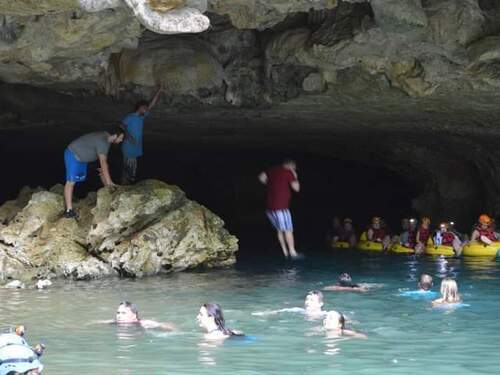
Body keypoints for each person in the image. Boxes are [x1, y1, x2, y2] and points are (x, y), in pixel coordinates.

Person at [63, 127, 125, 218]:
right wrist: (109, 181)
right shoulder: (103, 141)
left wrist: (108, 180)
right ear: (115, 135)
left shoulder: (105, 136)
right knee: (71, 182)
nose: (121, 140)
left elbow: (103, 164)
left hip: (84, 158)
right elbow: (103, 162)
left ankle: (111, 194)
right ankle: (69, 210)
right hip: (73, 155)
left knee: (102, 170)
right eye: (121, 138)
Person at [258, 159, 301, 259]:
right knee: (288, 229)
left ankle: (285, 252)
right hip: (281, 207)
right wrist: (294, 175)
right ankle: (293, 252)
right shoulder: (288, 172)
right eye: (294, 168)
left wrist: (270, 184)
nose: (294, 169)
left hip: (269, 208)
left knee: (279, 230)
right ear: (291, 165)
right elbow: (296, 188)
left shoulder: (272, 170)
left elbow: (261, 177)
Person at [121, 86, 164, 185]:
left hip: (135, 148)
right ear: (140, 108)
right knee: (128, 170)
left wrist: (159, 92)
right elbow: (121, 125)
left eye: (146, 108)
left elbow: (151, 105)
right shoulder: (130, 117)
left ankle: (126, 187)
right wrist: (129, 136)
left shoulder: (141, 117)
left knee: (131, 170)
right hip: (128, 147)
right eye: (144, 108)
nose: (146, 110)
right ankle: (124, 188)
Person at [110, 301, 174, 330]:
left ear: (134, 315)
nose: (119, 316)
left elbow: (167, 325)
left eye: (123, 313)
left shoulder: (144, 323)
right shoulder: (114, 322)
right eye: (118, 313)